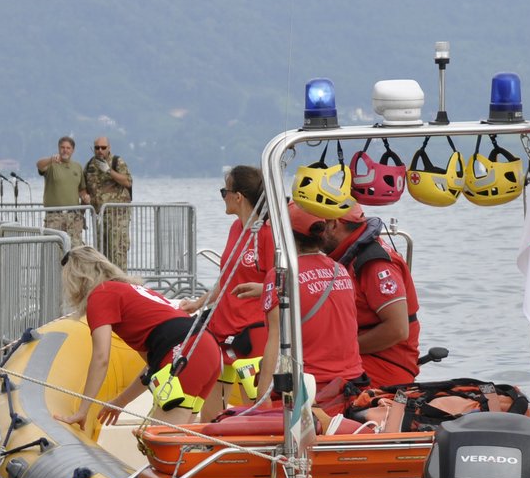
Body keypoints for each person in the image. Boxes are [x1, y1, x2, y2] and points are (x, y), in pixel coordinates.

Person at [54, 246, 220, 428]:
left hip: (186, 354)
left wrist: (82, 411)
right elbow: (153, 367)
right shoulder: (130, 291)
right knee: (176, 443)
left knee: (162, 445)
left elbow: (101, 358)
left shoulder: (100, 295)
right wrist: (120, 402)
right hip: (206, 347)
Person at [252, 204, 367, 414]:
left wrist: (263, 397)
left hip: (311, 388)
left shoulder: (281, 275)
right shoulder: (339, 269)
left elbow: (275, 340)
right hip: (352, 384)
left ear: (286, 234)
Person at [177, 164, 272, 416]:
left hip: (252, 333)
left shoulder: (267, 233)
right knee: (212, 412)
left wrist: (262, 288)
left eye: (224, 191)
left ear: (238, 196)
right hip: (222, 329)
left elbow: (286, 283)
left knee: (254, 409)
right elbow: (227, 278)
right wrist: (199, 303)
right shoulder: (235, 229)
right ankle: (213, 446)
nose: (223, 196)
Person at [317, 203, 422, 388]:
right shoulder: (352, 256)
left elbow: (397, 329)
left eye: (318, 227)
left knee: (310, 377)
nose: (315, 235)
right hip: (363, 356)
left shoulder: (375, 264)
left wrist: (340, 349)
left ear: (333, 224)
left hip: (385, 366)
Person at [81, 137, 133, 267]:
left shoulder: (116, 161)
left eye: (103, 147)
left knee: (117, 252)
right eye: (97, 148)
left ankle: (121, 284)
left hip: (117, 217)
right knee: (101, 255)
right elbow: (84, 191)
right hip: (99, 217)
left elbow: (127, 181)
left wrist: (109, 171)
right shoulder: (89, 165)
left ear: (109, 148)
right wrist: (81, 214)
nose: (100, 150)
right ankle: (106, 285)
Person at [36, 135, 85, 244]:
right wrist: (50, 160)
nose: (65, 150)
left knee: (75, 249)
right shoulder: (51, 165)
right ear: (58, 148)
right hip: (54, 216)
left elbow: (82, 189)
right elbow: (39, 165)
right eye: (62, 147)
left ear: (73, 150)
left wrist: (85, 196)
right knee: (53, 248)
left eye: (68, 148)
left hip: (73, 216)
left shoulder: (78, 167)